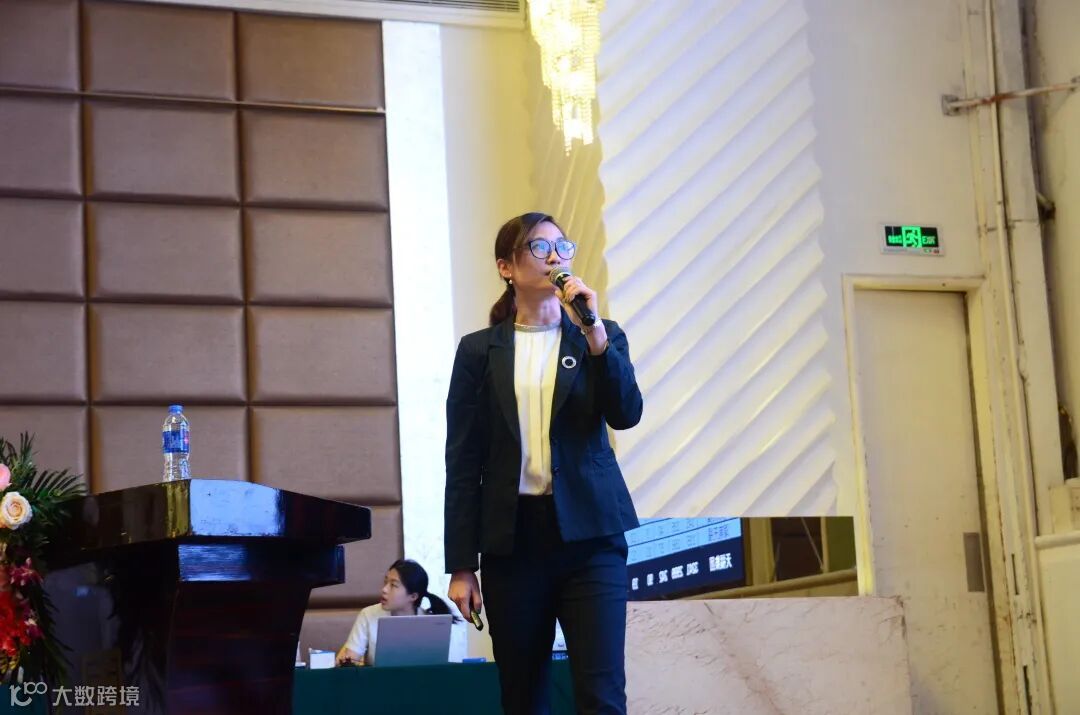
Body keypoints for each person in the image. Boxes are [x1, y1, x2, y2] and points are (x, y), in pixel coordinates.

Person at [445, 213, 643, 714]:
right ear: (506, 267)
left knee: (601, 695)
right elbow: (463, 461)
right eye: (539, 247)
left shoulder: (599, 335)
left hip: (591, 539)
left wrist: (593, 332)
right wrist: (462, 565)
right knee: (524, 697)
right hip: (514, 543)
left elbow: (627, 413)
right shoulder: (478, 351)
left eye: (562, 246)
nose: (555, 256)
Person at [336, 559, 462, 666]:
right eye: (385, 582)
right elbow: (349, 661)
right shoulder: (368, 615)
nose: (384, 589)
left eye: (393, 585)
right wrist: (347, 661)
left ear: (413, 596)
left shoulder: (429, 621)